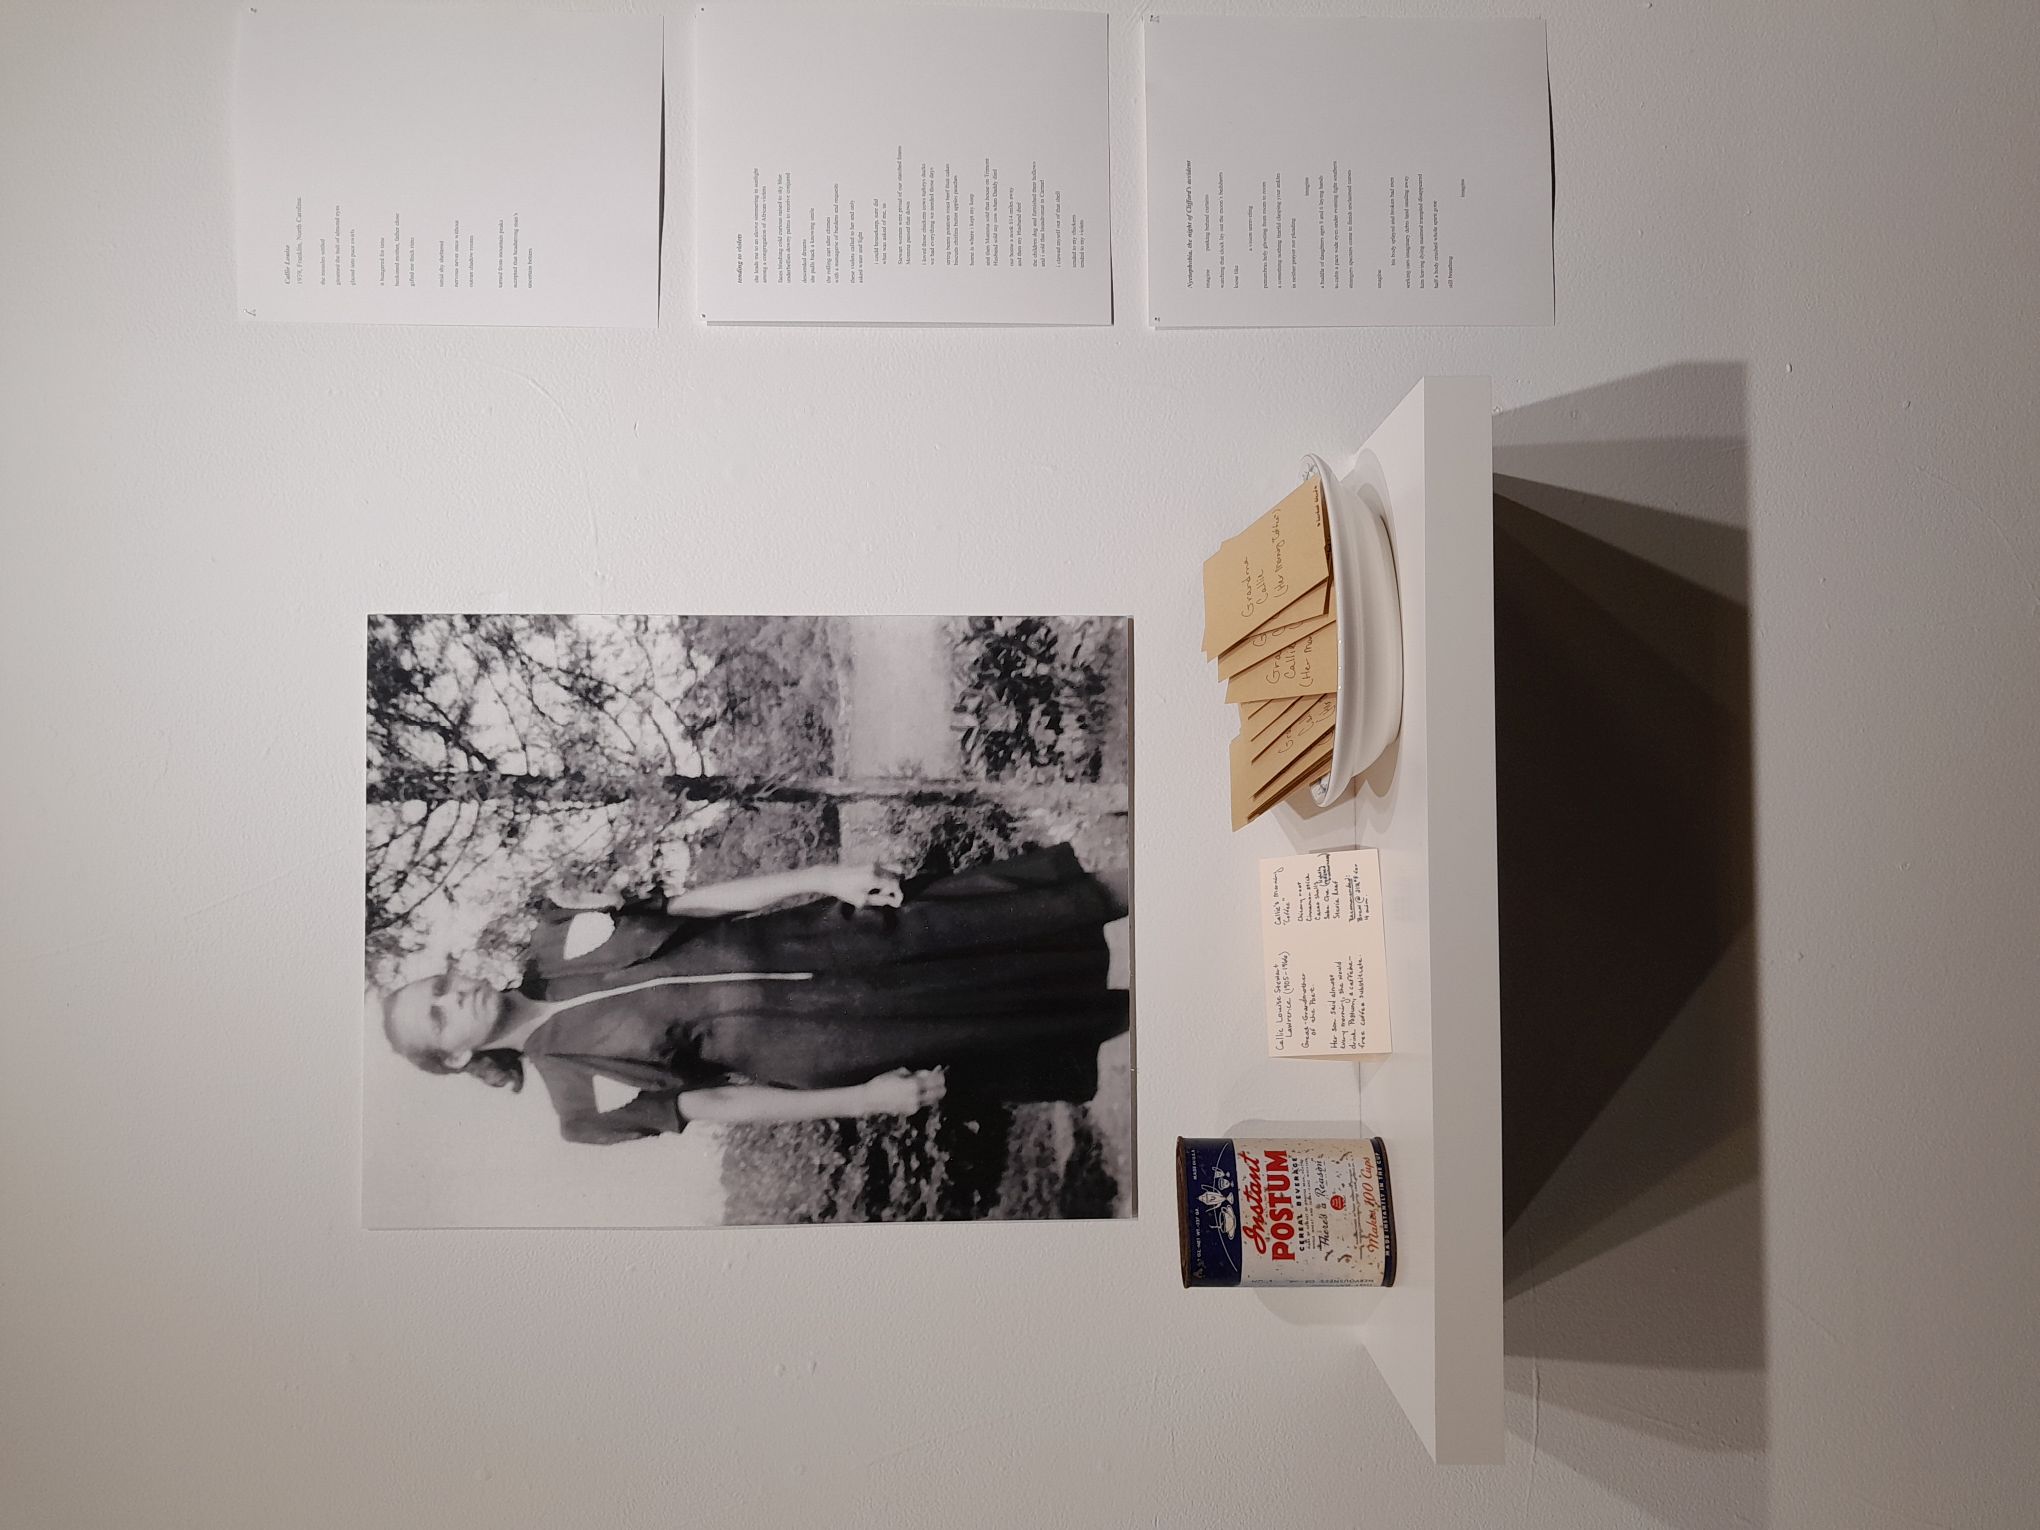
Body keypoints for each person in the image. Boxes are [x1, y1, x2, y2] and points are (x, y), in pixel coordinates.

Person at [380, 843, 1129, 1145]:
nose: (456, 994)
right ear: (451, 1057)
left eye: (440, 984)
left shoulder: (555, 932)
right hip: (843, 1040)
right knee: (1041, 1021)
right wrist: (861, 1100)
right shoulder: (581, 1109)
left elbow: (695, 905)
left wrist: (824, 878)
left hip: (831, 937)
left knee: (1048, 904)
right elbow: (718, 1103)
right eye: (438, 1013)